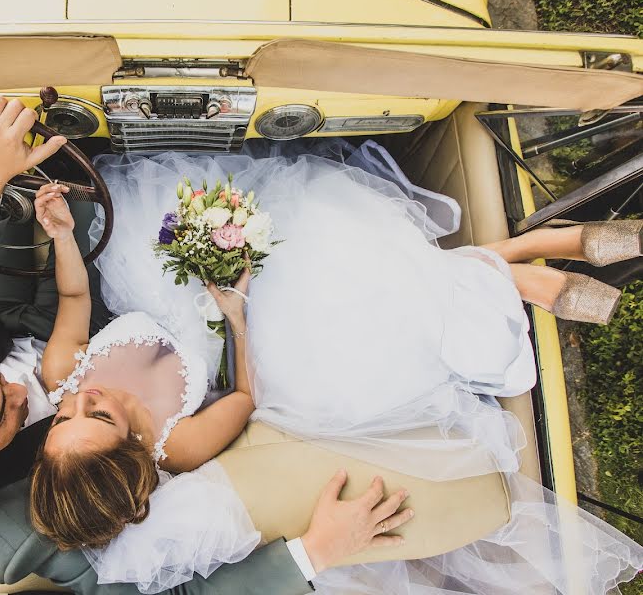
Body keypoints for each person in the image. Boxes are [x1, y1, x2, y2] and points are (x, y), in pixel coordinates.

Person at [0, 96, 416, 592]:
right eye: (5, 412)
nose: (25, 388)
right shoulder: (19, 536)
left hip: (69, 304)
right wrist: (316, 552)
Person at [31, 142, 643, 594]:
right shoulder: (179, 445)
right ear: (129, 446)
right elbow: (246, 392)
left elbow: (79, 300)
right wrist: (235, 306)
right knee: (346, 303)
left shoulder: (63, 370)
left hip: (158, 276)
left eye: (64, 414)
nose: (84, 396)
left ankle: (527, 257)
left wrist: (61, 235)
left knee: (326, 229)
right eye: (99, 414)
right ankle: (527, 255)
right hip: (231, 323)